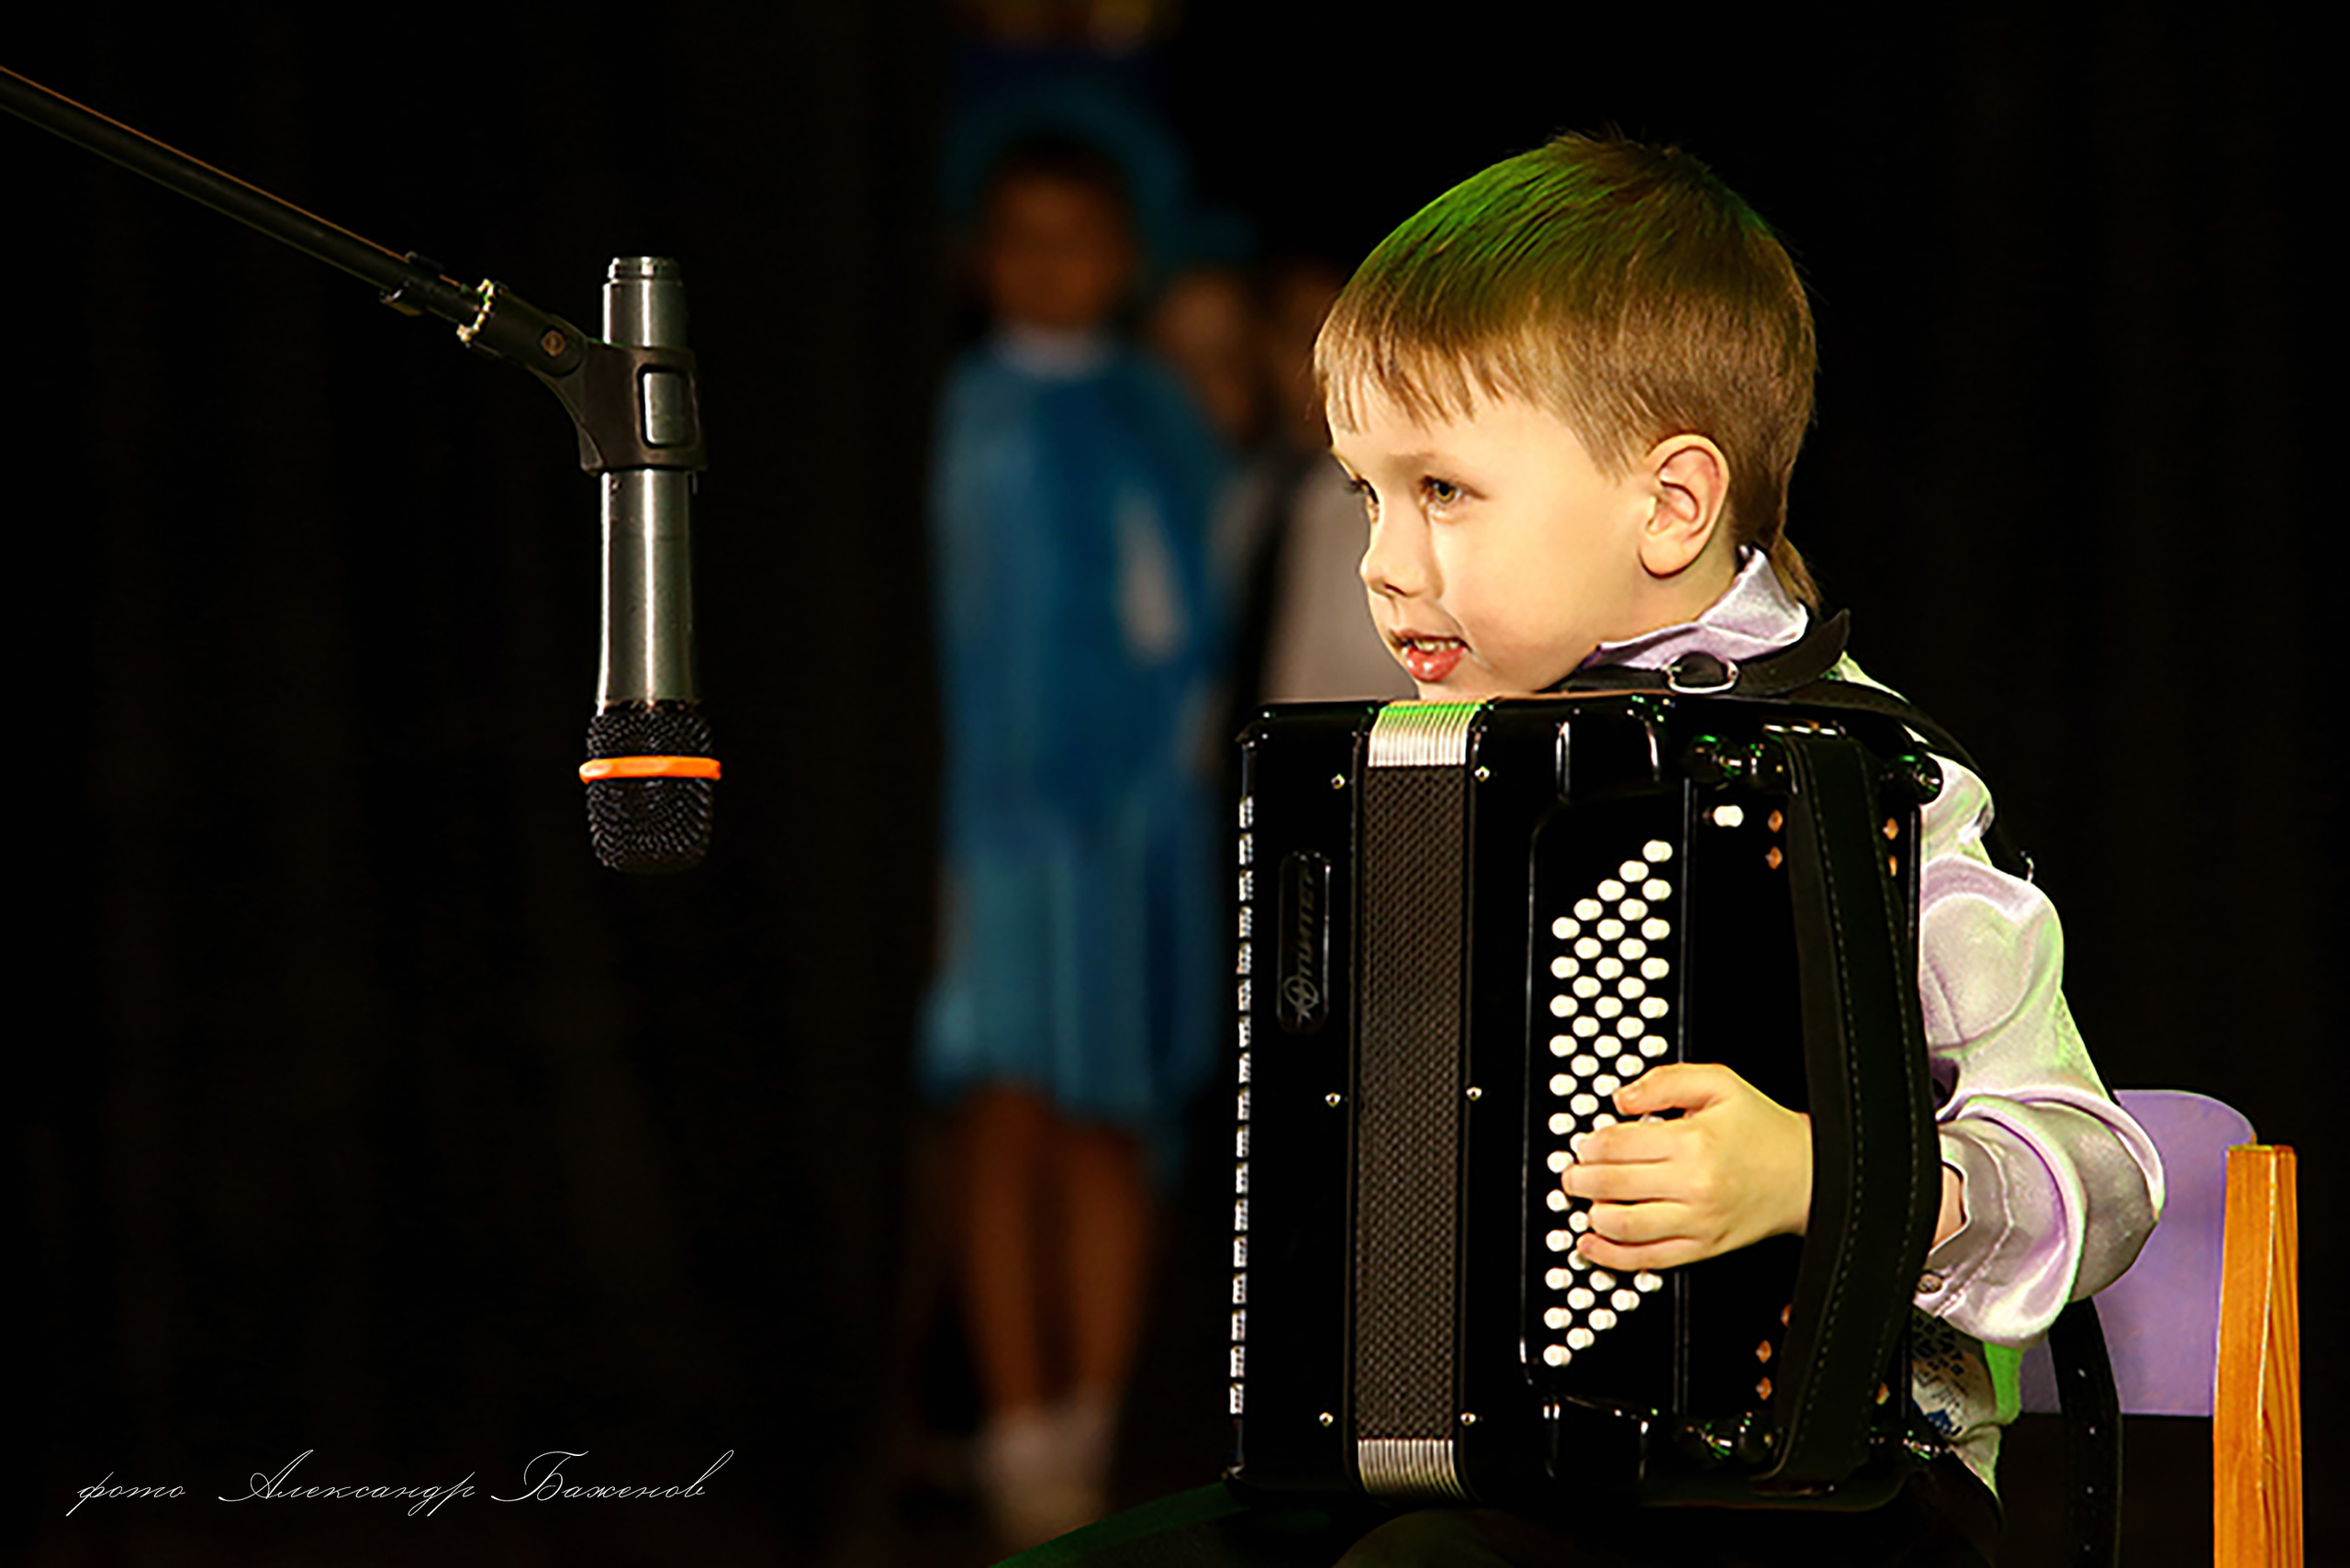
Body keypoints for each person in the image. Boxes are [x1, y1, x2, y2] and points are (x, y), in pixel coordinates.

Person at [1009, 134, 2163, 1566]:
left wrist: (1821, 1176)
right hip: (1497, 1491)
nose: (1379, 558)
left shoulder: (1867, 781)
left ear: (1669, 506)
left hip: (1826, 1499)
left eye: (1442, 491)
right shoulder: (1443, 767)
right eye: (1365, 492)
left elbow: (2101, 1173)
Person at [921, 131, 1228, 1554]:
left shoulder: (1153, 412)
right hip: (997, 831)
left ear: (1121, 255)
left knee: (1110, 1118)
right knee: (1004, 1117)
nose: (1051, 268)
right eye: (1021, 238)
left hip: (1127, 828)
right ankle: (1019, 1420)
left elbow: (1192, 621)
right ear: (983, 259)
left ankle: (1099, 1423)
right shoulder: (962, 414)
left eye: (1078, 237)